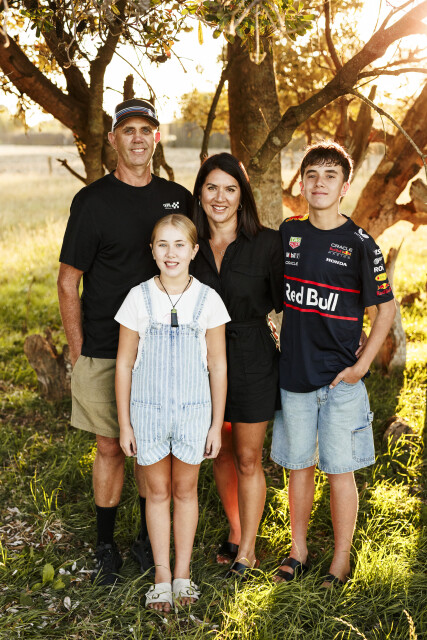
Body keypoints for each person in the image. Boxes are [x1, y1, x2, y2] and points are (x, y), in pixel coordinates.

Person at [57, 98, 193, 585]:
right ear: (113, 138)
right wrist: (79, 351)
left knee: (153, 446)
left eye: (145, 130)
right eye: (128, 129)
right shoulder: (92, 202)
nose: (137, 138)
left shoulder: (177, 198)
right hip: (105, 347)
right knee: (112, 447)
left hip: (166, 351)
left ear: (156, 138)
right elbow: (68, 281)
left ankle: (145, 540)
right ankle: (105, 544)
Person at [271, 141, 396, 587]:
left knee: (340, 471)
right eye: (312, 175)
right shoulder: (289, 234)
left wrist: (362, 366)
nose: (319, 182)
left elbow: (386, 309)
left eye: (330, 176)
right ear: (302, 184)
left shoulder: (360, 244)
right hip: (295, 375)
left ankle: (340, 560)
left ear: (345, 186)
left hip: (341, 380)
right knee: (299, 467)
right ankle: (298, 550)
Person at [115, 214, 229, 610]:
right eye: (162, 244)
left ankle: (183, 574)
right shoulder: (138, 298)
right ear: (152, 250)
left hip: (194, 413)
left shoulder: (208, 300)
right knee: (158, 492)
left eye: (180, 245)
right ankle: (161, 576)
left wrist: (216, 424)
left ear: (194, 250)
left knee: (185, 491)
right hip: (148, 413)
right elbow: (124, 364)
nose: (171, 253)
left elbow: (218, 365)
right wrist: (125, 424)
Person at [191, 152, 284, 579]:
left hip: (251, 357)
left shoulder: (267, 244)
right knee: (220, 451)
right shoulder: (188, 244)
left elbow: (288, 305)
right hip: (199, 360)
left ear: (242, 195)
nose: (220, 197)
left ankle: (247, 551)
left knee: (248, 456)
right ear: (200, 193)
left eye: (230, 189)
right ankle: (235, 528)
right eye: (211, 187)